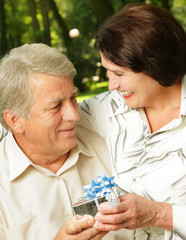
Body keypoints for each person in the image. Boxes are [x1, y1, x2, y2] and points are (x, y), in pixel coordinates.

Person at [0, 43, 133, 240]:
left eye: (73, 98)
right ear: (15, 120)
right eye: (55, 106)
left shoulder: (109, 137)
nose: (73, 115)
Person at [78, 3, 186, 240]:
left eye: (119, 73)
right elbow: (40, 118)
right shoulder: (110, 106)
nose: (111, 85)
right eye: (107, 72)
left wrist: (158, 214)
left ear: (155, 64)